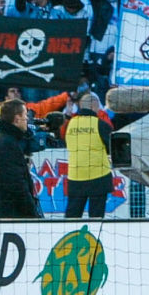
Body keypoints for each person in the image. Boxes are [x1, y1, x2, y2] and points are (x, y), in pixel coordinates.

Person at [62, 91, 115, 219]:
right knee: (96, 217)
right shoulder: (101, 124)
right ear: (93, 107)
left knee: (72, 216)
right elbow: (112, 147)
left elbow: (68, 143)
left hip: (76, 176)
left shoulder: (71, 124)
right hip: (98, 176)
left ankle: (69, 237)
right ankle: (94, 238)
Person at [0, 98, 40, 218]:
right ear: (16, 118)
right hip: (10, 217)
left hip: (5, 214)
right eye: (25, 115)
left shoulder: (5, 139)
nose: (27, 119)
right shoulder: (7, 144)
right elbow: (16, 185)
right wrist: (33, 214)